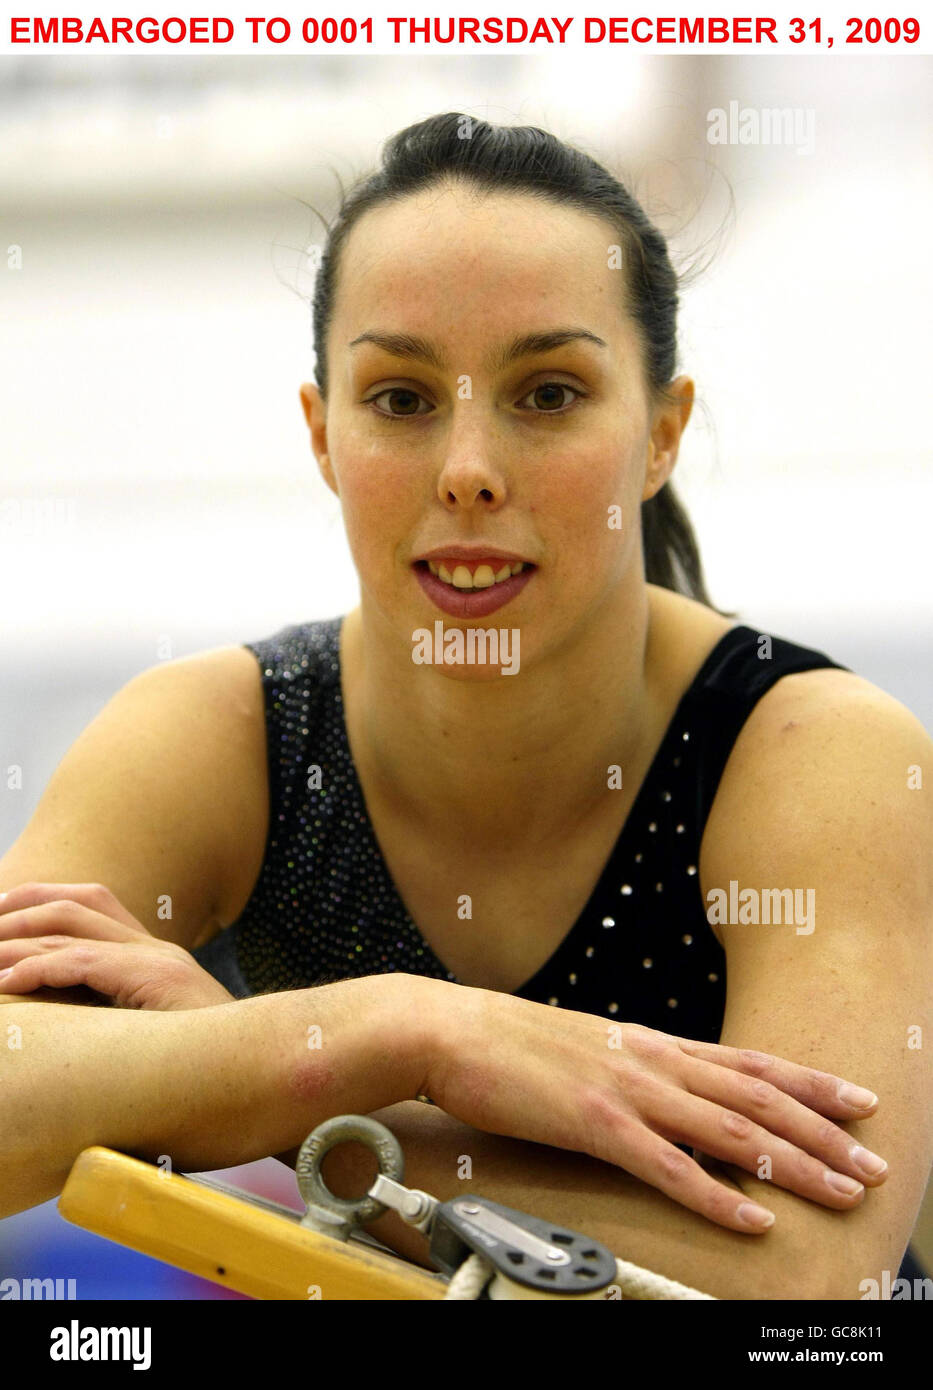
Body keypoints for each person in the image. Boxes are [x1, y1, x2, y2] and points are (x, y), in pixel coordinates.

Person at [1, 113, 930, 1300]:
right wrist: (412, 1031)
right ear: (322, 435)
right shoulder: (217, 732)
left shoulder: (813, 752)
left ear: (660, 434)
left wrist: (302, 1099)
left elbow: (803, 1277)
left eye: (547, 392)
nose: (468, 467)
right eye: (398, 398)